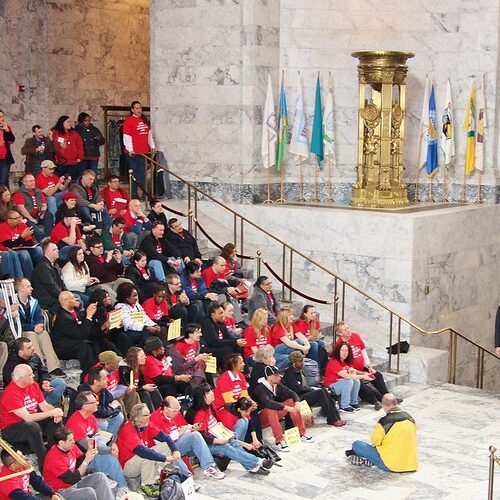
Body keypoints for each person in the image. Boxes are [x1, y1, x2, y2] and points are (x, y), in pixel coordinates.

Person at [189, 383, 271, 476]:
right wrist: (218, 441)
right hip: (206, 443)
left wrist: (227, 434)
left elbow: (218, 424)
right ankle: (258, 461)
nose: (212, 393)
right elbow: (201, 437)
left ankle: (252, 466)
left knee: (234, 443)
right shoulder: (200, 413)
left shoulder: (211, 406)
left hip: (217, 435)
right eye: (208, 393)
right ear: (202, 397)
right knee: (226, 447)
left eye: (211, 390)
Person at [117, 402, 189, 498]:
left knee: (165, 446)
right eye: (146, 415)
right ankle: (147, 484)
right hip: (128, 466)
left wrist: (176, 450)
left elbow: (166, 437)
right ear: (137, 418)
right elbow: (142, 451)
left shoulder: (146, 425)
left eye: (149, 413)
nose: (149, 416)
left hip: (141, 458)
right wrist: (165, 458)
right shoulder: (128, 429)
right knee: (147, 455)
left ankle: (161, 475)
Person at [0, 364, 63, 471]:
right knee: (32, 426)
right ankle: (44, 463)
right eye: (30, 375)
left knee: (54, 419)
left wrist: (55, 412)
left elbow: (44, 406)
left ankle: (54, 453)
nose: (33, 376)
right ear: (21, 379)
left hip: (30, 423)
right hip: (12, 429)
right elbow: (27, 418)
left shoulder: (33, 385)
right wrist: (52, 412)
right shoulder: (10, 393)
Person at [65, 391, 128, 494]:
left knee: (107, 446)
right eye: (93, 402)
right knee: (108, 457)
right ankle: (122, 488)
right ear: (84, 406)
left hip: (92, 448)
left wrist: (113, 444)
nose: (97, 403)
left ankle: (114, 480)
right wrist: (109, 450)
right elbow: (90, 448)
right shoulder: (76, 423)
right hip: (82, 458)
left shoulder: (90, 416)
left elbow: (100, 434)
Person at [150, 396, 225, 479]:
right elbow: (160, 441)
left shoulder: (177, 413)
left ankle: (209, 466)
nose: (176, 412)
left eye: (178, 409)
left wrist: (191, 428)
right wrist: (179, 433)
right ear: (165, 408)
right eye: (174, 410)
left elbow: (184, 427)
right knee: (170, 450)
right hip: (165, 449)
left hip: (178, 444)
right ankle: (187, 477)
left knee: (195, 435)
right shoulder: (155, 418)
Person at [346, 393, 418, 472]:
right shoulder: (410, 417)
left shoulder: (384, 422)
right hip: (411, 464)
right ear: (396, 403)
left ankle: (367, 459)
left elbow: (375, 441)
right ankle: (368, 460)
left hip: (390, 465)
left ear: (383, 405)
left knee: (357, 445)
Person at [43, 426, 114, 500]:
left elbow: (80, 461)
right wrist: (87, 460)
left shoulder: (71, 446)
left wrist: (89, 451)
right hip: (61, 491)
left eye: (73, 438)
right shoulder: (54, 459)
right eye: (70, 440)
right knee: (89, 493)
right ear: (61, 443)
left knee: (100, 476)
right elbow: (72, 479)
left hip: (74, 483)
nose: (74, 441)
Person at [335, 321, 393, 410]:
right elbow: (343, 363)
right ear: (340, 333)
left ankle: (387, 396)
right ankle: (375, 401)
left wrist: (369, 366)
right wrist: (360, 374)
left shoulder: (355, 336)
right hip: (352, 371)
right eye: (345, 329)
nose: (348, 330)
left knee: (377, 375)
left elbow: (363, 351)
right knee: (360, 386)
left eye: (348, 328)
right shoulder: (339, 344)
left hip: (362, 367)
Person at [253, 365, 312, 451]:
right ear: (269, 377)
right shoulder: (260, 387)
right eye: (276, 375)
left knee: (291, 401)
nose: (279, 377)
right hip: (261, 417)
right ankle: (279, 440)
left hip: (275, 413)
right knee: (271, 408)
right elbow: (268, 403)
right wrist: (286, 408)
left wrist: (297, 402)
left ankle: (302, 433)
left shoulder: (276, 385)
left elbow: (292, 393)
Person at [15, 277, 65, 377]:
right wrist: (33, 327)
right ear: (21, 289)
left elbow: (39, 316)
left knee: (44, 334)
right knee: (31, 336)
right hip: (23, 331)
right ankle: (40, 367)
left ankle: (53, 367)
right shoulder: (13, 303)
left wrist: (40, 324)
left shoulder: (34, 301)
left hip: (34, 329)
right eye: (28, 286)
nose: (32, 288)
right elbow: (17, 323)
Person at [283, 351, 346, 427]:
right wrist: (310, 389)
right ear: (294, 363)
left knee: (323, 390)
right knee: (320, 393)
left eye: (302, 361)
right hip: (298, 398)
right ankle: (332, 419)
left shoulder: (300, 370)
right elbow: (296, 388)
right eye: (300, 362)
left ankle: (337, 417)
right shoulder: (289, 373)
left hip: (305, 393)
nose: (302, 363)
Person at [3, 337, 67, 407]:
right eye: (29, 348)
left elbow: (43, 372)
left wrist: (45, 381)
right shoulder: (11, 365)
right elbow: (16, 386)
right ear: (21, 352)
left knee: (60, 383)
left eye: (32, 345)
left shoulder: (35, 357)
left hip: (38, 388)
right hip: (23, 395)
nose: (33, 348)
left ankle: (44, 407)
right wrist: (40, 386)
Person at [50, 291, 98, 374]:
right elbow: (81, 335)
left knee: (96, 342)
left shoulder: (75, 311)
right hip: (63, 347)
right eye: (72, 298)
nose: (76, 299)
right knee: (85, 345)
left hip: (73, 342)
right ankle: (89, 373)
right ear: (64, 301)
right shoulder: (63, 318)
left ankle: (98, 367)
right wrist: (89, 316)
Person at [324, 341, 373, 413]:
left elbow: (353, 371)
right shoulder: (333, 361)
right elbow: (346, 375)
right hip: (331, 386)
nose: (344, 352)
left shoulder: (346, 361)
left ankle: (353, 402)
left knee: (356, 381)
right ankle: (344, 406)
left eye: (346, 351)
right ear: (338, 351)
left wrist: (364, 373)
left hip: (341, 383)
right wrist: (363, 376)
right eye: (342, 350)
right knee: (348, 381)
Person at [77, 366, 124, 436]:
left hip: (102, 417)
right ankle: (102, 443)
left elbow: (116, 404)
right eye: (104, 378)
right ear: (96, 382)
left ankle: (107, 442)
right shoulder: (84, 393)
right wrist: (110, 410)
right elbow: (97, 412)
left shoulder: (102, 389)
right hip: (87, 421)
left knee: (119, 417)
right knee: (103, 424)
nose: (108, 380)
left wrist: (107, 412)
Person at [123, 101, 157, 197]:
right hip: (133, 153)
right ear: (132, 110)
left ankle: (144, 194)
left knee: (142, 175)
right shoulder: (129, 121)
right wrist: (130, 149)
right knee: (134, 174)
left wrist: (153, 146)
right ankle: (133, 193)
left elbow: (149, 136)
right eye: (136, 108)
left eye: (140, 108)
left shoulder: (144, 120)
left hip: (143, 152)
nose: (139, 110)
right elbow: (127, 136)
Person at [88, 289, 133, 356]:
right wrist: (103, 328)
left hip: (111, 335)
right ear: (100, 299)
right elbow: (91, 333)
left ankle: (131, 356)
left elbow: (114, 329)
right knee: (109, 345)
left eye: (108, 296)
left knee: (123, 336)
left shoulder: (110, 309)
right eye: (106, 297)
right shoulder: (94, 312)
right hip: (100, 339)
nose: (109, 298)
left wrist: (119, 325)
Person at [200, 303, 246, 370]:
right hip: (208, 349)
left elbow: (228, 336)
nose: (223, 315)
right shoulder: (207, 324)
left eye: (223, 312)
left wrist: (238, 340)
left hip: (218, 345)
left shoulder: (219, 321)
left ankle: (243, 371)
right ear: (213, 315)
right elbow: (215, 342)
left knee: (238, 345)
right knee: (227, 349)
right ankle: (227, 371)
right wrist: (235, 341)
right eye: (220, 313)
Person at [85, 236, 130, 303]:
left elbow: (119, 272)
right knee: (106, 289)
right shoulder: (89, 260)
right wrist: (107, 261)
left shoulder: (106, 255)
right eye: (98, 247)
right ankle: (119, 306)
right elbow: (98, 275)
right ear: (91, 249)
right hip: (101, 283)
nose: (101, 249)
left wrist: (118, 261)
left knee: (126, 282)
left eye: (102, 246)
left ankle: (134, 305)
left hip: (114, 281)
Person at [115, 282, 161, 346]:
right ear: (126, 297)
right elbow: (129, 324)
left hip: (142, 328)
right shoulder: (119, 306)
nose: (136, 298)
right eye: (134, 296)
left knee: (159, 330)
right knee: (146, 334)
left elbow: (144, 317)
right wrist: (146, 327)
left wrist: (154, 325)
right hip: (129, 331)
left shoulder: (136, 304)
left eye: (136, 295)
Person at [0, 209, 43, 278]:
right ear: (9, 220)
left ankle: (42, 273)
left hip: (21, 248)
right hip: (9, 251)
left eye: (19, 217)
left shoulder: (22, 225)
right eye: (16, 218)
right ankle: (30, 278)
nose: (19, 219)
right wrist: (22, 237)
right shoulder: (2, 228)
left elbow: (29, 242)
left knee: (38, 249)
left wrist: (22, 241)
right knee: (24, 253)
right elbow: (9, 245)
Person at [119, 346, 162, 412]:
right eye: (142, 356)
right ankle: (149, 414)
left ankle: (159, 412)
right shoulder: (125, 370)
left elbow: (140, 383)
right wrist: (143, 387)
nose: (145, 357)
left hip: (137, 389)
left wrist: (146, 386)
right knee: (144, 394)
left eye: (144, 355)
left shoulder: (138, 367)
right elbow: (127, 389)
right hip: (128, 395)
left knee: (154, 390)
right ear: (134, 358)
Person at [12, 173, 54, 240]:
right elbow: (22, 209)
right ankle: (42, 239)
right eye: (31, 181)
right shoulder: (19, 193)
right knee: (28, 221)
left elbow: (44, 204)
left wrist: (42, 212)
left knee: (48, 215)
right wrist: (31, 218)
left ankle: (48, 236)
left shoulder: (38, 191)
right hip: (26, 217)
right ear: (24, 182)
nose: (33, 183)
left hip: (37, 215)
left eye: (34, 181)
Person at [31, 241, 65, 314]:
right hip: (47, 300)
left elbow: (60, 283)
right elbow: (51, 286)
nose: (58, 251)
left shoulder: (54, 265)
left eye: (57, 249)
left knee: (77, 299)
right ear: (47, 253)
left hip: (54, 297)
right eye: (54, 249)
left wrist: (67, 294)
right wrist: (64, 298)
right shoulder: (43, 267)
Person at [293, 304, 327, 373]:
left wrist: (311, 337)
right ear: (305, 314)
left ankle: (323, 367)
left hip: (311, 340)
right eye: (311, 313)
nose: (314, 315)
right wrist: (311, 337)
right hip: (300, 343)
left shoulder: (315, 321)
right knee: (314, 344)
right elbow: (301, 339)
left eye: (314, 312)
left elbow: (315, 335)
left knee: (321, 343)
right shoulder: (300, 323)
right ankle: (315, 368)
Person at [0, 110, 15, 186]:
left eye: (2, 116)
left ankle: (5, 197)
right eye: (0, 117)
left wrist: (7, 131)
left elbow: (12, 140)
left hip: (5, 158)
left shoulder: (7, 127)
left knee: (3, 181)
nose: (2, 118)